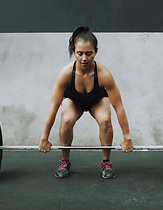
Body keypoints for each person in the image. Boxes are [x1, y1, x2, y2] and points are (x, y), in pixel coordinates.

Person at [39, 26, 133, 179]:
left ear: (96, 51)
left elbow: (119, 108)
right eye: (79, 53)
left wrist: (127, 138)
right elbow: (53, 107)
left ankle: (106, 162)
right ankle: (65, 162)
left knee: (105, 120)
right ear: (73, 51)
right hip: (74, 102)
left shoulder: (104, 75)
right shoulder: (66, 74)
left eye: (89, 53)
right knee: (66, 120)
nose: (84, 58)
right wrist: (44, 138)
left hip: (97, 101)